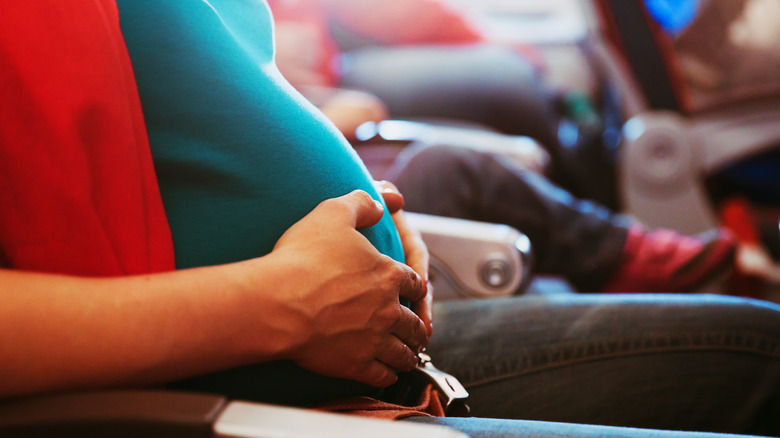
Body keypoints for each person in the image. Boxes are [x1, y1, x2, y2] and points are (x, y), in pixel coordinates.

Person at [2, 1, 779, 437]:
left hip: (350, 340)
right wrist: (277, 308)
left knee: (758, 348)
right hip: (226, 393)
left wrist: (365, 207)